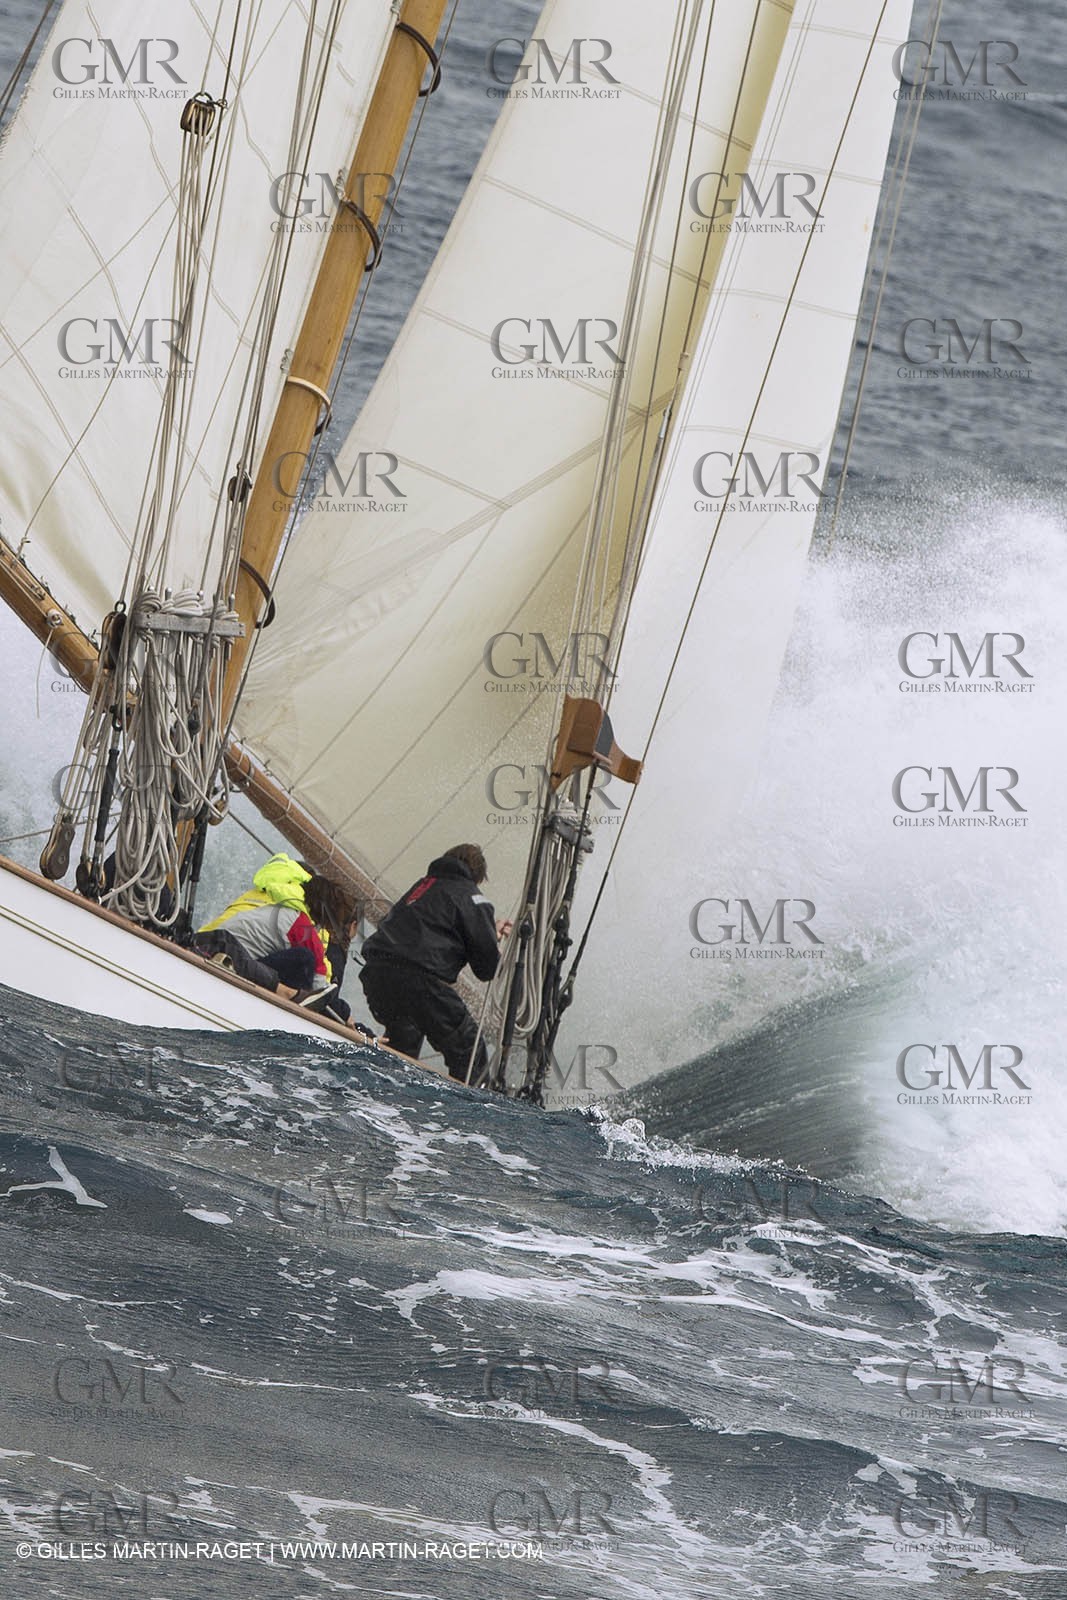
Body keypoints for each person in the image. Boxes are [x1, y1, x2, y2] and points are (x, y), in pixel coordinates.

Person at [360, 844, 512, 1083]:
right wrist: (493, 940)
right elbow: (486, 969)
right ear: (477, 876)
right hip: (420, 982)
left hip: (377, 975)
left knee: (402, 1044)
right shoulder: (473, 897)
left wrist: (487, 930)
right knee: (469, 1050)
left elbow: (429, 929)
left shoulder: (422, 887)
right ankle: (475, 1112)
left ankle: (386, 1094)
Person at [197, 853, 331, 1000]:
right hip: (232, 961)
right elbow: (319, 974)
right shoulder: (297, 909)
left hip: (202, 944)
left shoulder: (261, 889)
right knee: (303, 960)